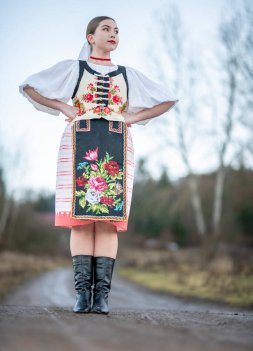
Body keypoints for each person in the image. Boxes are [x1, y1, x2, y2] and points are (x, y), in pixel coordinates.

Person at [19, 16, 179, 315]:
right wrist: (64, 106)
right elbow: (29, 86)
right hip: (79, 141)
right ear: (90, 37)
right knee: (81, 218)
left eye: (117, 30)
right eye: (106, 29)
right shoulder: (74, 68)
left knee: (106, 219)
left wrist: (132, 117)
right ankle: (82, 296)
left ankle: (101, 297)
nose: (113, 34)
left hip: (117, 143)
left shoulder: (128, 74)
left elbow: (168, 99)